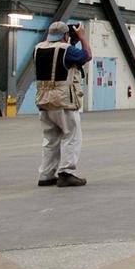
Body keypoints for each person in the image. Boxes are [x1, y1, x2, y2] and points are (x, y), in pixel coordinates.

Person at [34, 21, 92, 187]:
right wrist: (82, 37)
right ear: (66, 35)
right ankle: (66, 173)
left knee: (50, 138)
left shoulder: (38, 48)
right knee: (71, 136)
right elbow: (87, 55)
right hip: (63, 101)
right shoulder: (66, 49)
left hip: (44, 101)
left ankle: (46, 175)